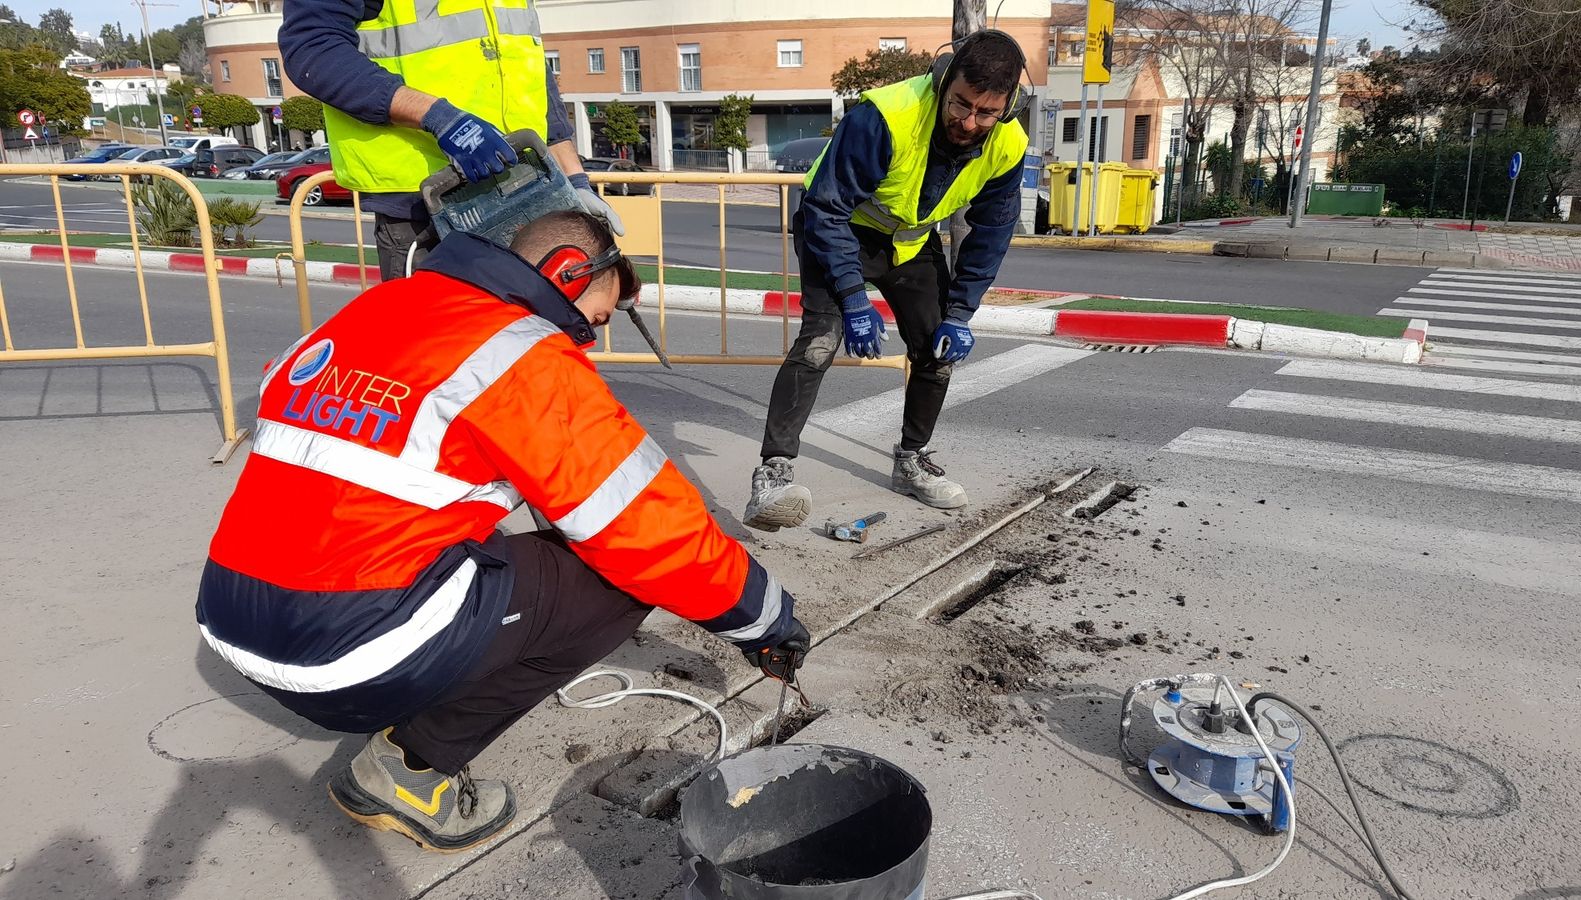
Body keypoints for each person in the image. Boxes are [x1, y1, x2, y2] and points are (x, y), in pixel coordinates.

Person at [196, 210, 810, 853]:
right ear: (567, 272)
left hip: (230, 618)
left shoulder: (379, 307)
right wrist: (767, 621)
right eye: (595, 318)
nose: (590, 342)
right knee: (619, 578)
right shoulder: (520, 353)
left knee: (506, 545)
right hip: (341, 657)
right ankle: (411, 771)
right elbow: (654, 532)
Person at [743, 31, 1030, 531]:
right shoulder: (884, 116)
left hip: (911, 241)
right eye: (960, 104)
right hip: (841, 227)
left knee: (939, 349)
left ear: (1006, 108)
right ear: (944, 80)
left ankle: (911, 462)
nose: (969, 122)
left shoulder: (1008, 142)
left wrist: (961, 314)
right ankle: (772, 475)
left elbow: (991, 232)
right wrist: (854, 299)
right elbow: (827, 208)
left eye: (986, 113)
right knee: (820, 342)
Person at [279, 0, 623, 281]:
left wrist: (573, 180)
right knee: (438, 357)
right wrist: (438, 118)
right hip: (427, 209)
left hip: (528, 194)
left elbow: (529, 68)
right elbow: (313, 48)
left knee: (524, 351)